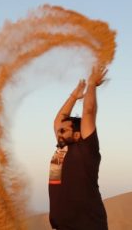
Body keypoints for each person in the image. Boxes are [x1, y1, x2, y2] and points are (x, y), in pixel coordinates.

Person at [48, 65, 108, 230]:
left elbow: (88, 111)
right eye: (60, 130)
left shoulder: (86, 149)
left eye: (64, 130)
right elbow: (58, 121)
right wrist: (74, 96)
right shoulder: (61, 150)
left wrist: (91, 84)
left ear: (77, 135)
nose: (59, 132)